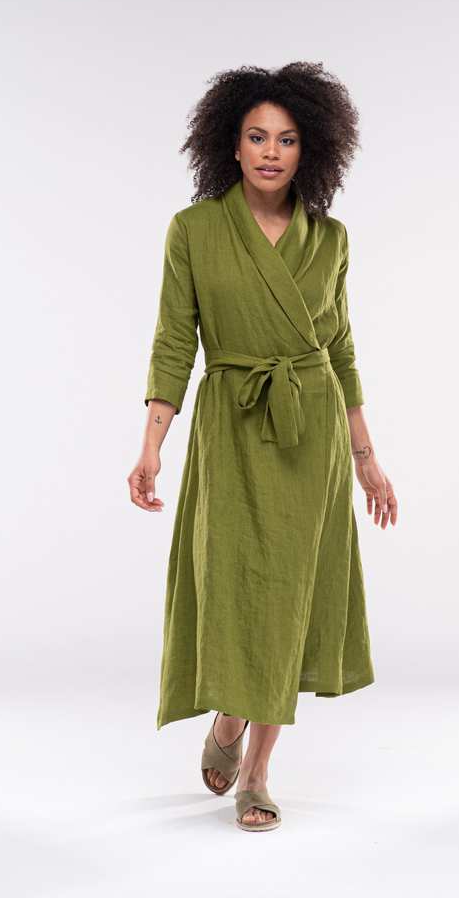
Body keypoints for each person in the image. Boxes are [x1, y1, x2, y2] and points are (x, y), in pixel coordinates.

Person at [127, 61, 397, 832]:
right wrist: (150, 446)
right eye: (256, 137)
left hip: (310, 431)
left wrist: (366, 457)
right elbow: (173, 342)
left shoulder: (329, 239)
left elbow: (339, 349)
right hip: (232, 427)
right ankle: (226, 718)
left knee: (290, 594)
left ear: (310, 149)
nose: (270, 152)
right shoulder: (194, 231)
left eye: (286, 138)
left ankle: (257, 770)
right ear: (231, 144)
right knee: (234, 584)